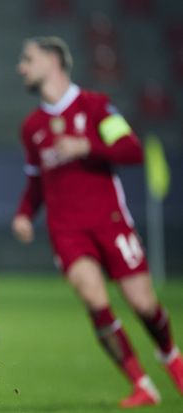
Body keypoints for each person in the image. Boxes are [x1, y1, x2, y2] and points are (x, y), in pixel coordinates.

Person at [13, 36, 183, 408]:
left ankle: (172, 360)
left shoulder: (96, 106)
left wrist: (87, 146)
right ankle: (141, 384)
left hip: (109, 220)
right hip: (66, 230)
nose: (21, 67)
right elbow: (36, 180)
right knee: (93, 297)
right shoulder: (32, 126)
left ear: (53, 60)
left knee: (143, 304)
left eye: (28, 59)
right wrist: (25, 214)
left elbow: (132, 149)